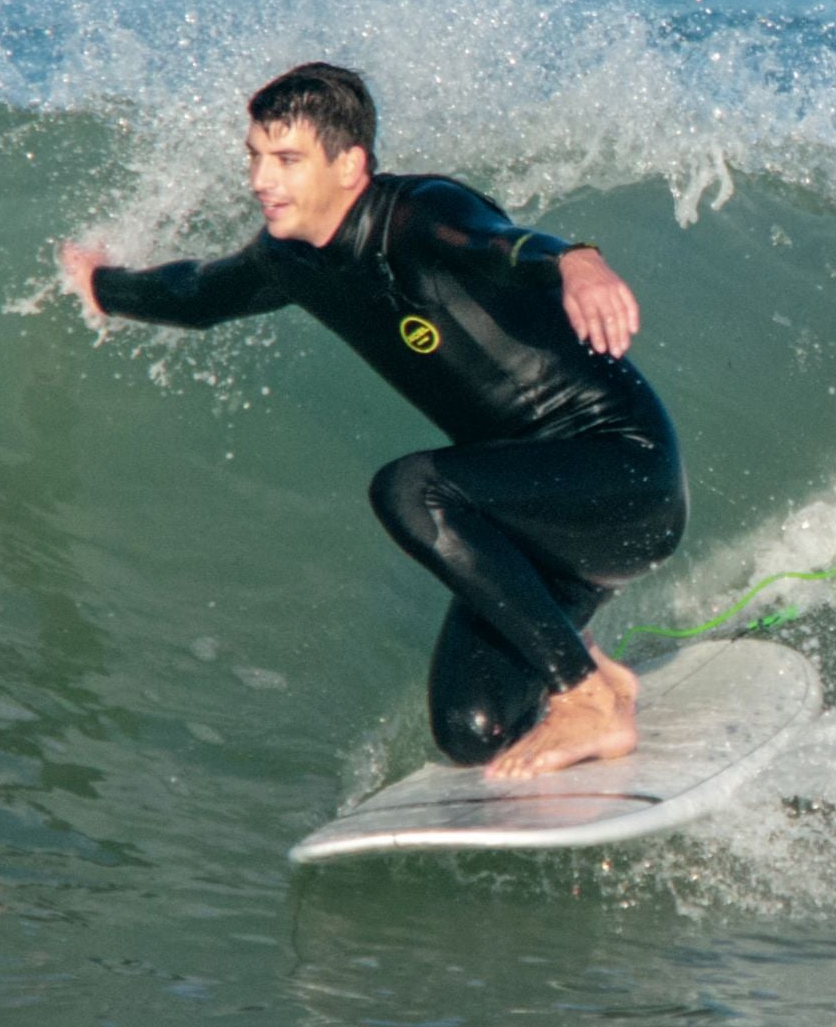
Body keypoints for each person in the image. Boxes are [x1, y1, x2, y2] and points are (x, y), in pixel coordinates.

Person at [59, 63, 685, 779]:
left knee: (411, 488)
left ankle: (589, 695)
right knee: (471, 730)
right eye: (256, 157)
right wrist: (103, 285)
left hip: (625, 479)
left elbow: (502, 244)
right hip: (536, 525)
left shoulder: (420, 214)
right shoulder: (289, 258)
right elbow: (198, 293)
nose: (263, 180)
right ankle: (595, 672)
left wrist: (576, 259)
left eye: (288, 160)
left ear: (350, 164)